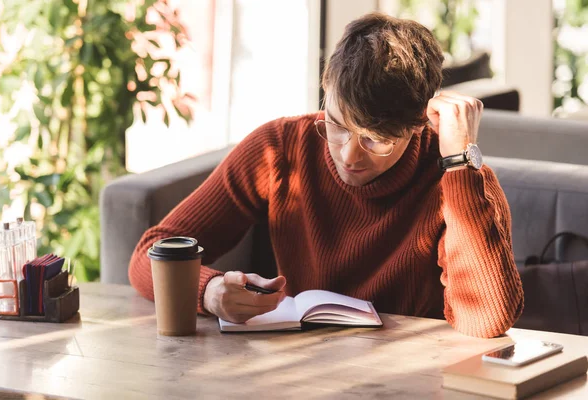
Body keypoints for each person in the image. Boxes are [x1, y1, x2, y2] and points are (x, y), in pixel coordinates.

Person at [129, 12, 523, 338]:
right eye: (336, 124)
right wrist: (210, 291)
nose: (348, 155)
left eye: (375, 139)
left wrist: (459, 165)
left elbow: (486, 321)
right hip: (301, 370)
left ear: (418, 124)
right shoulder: (280, 147)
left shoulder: (453, 176)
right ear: (325, 90)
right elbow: (149, 253)